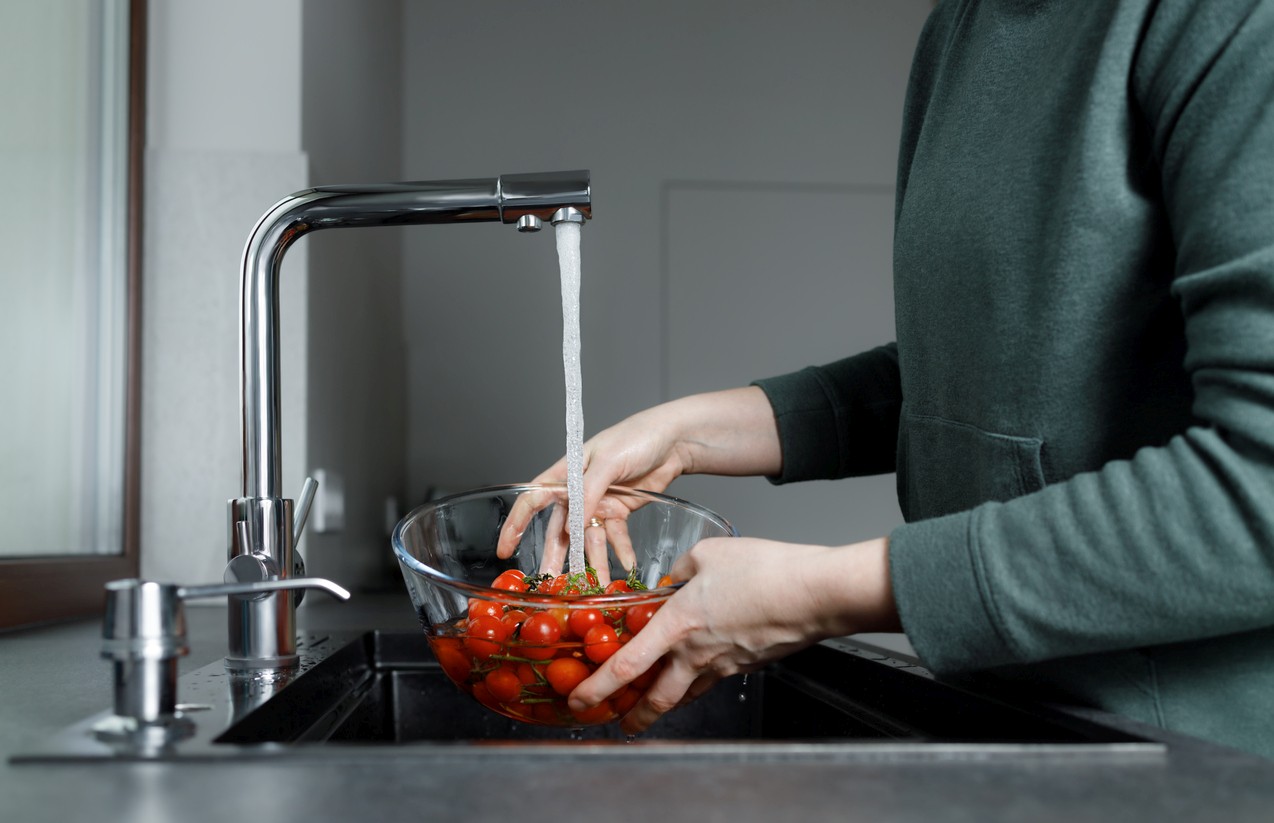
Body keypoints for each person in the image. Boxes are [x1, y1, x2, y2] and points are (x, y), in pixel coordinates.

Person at [499, 0, 1274, 758]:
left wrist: (820, 592)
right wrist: (692, 430)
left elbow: (1260, 490)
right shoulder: (962, 29)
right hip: (993, 717)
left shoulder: (1223, 20)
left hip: (1191, 761)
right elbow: (1001, 373)